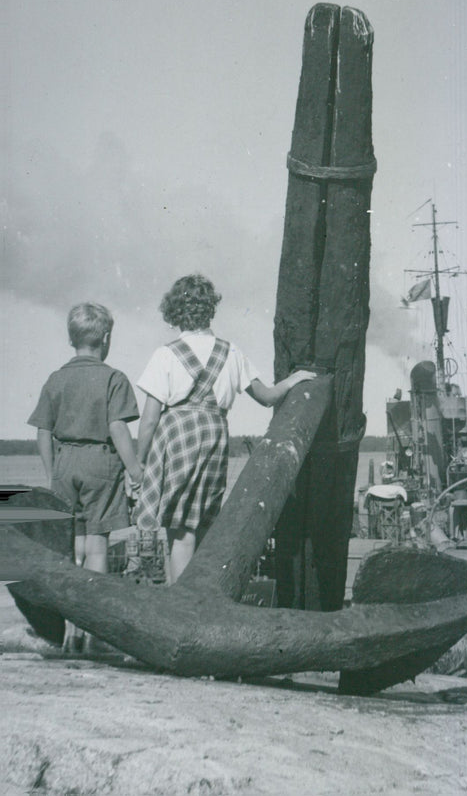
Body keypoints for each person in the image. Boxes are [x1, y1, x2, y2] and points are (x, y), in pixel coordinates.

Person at [134, 274, 315, 583]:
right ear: (210, 309)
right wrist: (294, 379)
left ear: (175, 313)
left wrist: (139, 463)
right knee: (202, 523)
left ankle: (178, 609)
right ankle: (198, 600)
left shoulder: (166, 354)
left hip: (178, 436)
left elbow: (150, 418)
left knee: (180, 531)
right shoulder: (230, 352)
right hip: (215, 435)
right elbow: (267, 396)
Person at [28, 302, 142, 652]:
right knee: (98, 546)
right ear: (106, 339)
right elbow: (117, 427)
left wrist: (53, 474)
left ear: (70, 338)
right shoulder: (113, 378)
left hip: (64, 463)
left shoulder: (55, 379)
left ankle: (70, 633)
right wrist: (135, 468)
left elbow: (43, 433)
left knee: (72, 547)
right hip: (100, 464)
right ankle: (92, 633)